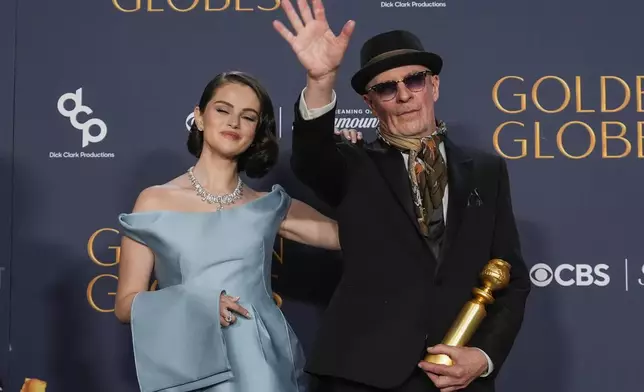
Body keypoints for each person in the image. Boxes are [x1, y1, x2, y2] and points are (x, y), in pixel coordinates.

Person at [273, 1, 531, 391]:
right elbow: (310, 157)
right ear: (369, 102)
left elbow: (510, 276)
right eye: (386, 88)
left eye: (414, 80)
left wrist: (484, 356)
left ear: (434, 85)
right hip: (360, 374)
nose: (404, 95)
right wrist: (321, 79)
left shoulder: (486, 170)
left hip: (454, 374)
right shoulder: (352, 164)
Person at [114, 71, 361, 392]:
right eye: (222, 110)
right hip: (189, 363)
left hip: (262, 366)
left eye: (248, 117)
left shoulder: (268, 205)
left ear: (256, 132)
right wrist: (197, 304)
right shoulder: (154, 201)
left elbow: (355, 237)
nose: (233, 123)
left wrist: (359, 166)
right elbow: (125, 304)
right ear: (199, 117)